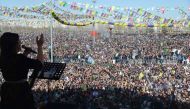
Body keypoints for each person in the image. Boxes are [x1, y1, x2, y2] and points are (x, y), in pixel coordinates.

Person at [0, 32, 44, 109]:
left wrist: (25, 54)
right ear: (13, 45)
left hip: (7, 89)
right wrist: (39, 46)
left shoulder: (2, 58)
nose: (20, 43)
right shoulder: (20, 58)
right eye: (18, 41)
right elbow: (39, 64)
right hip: (21, 91)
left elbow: (14, 64)